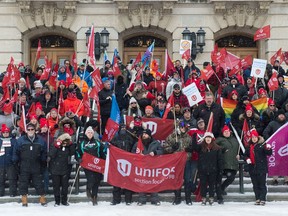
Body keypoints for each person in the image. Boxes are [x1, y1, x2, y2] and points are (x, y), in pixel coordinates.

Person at [12, 123, 47, 207]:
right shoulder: (21, 140)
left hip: (36, 164)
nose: (30, 131)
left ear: (35, 130)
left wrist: (43, 161)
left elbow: (44, 152)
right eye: (29, 129)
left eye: (32, 129)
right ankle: (24, 199)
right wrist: (15, 161)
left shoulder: (40, 140)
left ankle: (42, 198)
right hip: (24, 164)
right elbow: (15, 151)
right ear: (26, 131)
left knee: (38, 182)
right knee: (23, 182)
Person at [163, 121, 193, 205]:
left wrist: (189, 151)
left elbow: (192, 148)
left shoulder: (189, 137)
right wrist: (172, 148)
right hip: (176, 162)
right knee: (177, 180)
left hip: (186, 161)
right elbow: (165, 148)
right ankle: (177, 197)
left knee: (187, 179)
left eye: (184, 127)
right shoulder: (172, 137)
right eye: (181, 127)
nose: (183, 129)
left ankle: (188, 198)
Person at [132, 129, 163, 206]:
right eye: (143, 134)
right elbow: (132, 153)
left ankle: (155, 199)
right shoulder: (137, 143)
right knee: (142, 182)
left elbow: (162, 151)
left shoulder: (156, 143)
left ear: (149, 135)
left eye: (145, 134)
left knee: (153, 182)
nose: (144, 136)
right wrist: (138, 155)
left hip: (153, 166)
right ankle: (141, 199)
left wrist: (155, 153)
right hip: (142, 167)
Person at [76, 127, 106, 205]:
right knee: (91, 179)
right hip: (87, 165)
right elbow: (77, 152)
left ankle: (94, 197)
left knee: (97, 181)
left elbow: (103, 152)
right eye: (88, 132)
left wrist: (104, 161)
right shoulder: (82, 143)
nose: (90, 134)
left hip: (97, 164)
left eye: (91, 133)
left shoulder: (97, 142)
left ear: (93, 134)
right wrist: (79, 159)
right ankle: (88, 189)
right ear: (86, 133)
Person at [191, 131, 223, 206]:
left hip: (213, 169)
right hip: (203, 170)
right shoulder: (201, 147)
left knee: (212, 185)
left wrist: (220, 169)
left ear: (212, 139)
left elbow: (220, 160)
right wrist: (194, 138)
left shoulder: (217, 148)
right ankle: (204, 198)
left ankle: (211, 197)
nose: (208, 139)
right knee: (203, 184)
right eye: (206, 138)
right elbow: (194, 147)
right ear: (204, 139)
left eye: (209, 137)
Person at [244, 129, 272, 206]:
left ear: (258, 137)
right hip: (252, 168)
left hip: (261, 168)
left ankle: (263, 198)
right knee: (255, 185)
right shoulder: (249, 146)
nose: (254, 139)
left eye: (255, 137)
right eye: (252, 137)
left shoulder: (262, 145)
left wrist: (268, 148)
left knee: (262, 184)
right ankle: (257, 198)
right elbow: (245, 155)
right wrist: (247, 159)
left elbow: (269, 153)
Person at [110, 124, 134, 205]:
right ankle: (116, 200)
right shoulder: (115, 138)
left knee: (128, 182)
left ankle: (128, 200)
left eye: (124, 128)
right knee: (116, 182)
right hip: (118, 162)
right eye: (122, 128)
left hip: (128, 162)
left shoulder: (129, 138)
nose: (123, 129)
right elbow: (111, 146)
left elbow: (133, 148)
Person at [48, 133, 75, 206]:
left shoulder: (68, 147)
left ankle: (64, 200)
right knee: (56, 186)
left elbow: (72, 153)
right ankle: (57, 201)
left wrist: (71, 145)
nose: (65, 142)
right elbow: (51, 154)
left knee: (65, 186)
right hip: (55, 169)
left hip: (65, 169)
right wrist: (56, 146)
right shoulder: (54, 145)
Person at [263, 109, 288, 185]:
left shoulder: (287, 124)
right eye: (280, 115)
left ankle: (286, 179)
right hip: (276, 146)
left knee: (286, 162)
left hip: (285, 146)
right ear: (277, 116)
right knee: (276, 162)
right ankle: (275, 179)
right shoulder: (272, 123)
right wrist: (270, 141)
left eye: (283, 115)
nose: (281, 116)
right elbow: (265, 132)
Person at [215, 125, 239, 204]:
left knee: (231, 178)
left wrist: (240, 155)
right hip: (222, 164)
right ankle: (219, 193)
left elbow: (239, 150)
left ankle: (222, 188)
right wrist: (222, 149)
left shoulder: (235, 140)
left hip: (233, 164)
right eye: (225, 132)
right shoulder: (219, 139)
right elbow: (214, 147)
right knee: (218, 179)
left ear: (230, 132)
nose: (226, 133)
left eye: (227, 131)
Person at [0, 124, 17, 197]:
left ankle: (12, 193)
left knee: (12, 179)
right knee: (1, 179)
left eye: (7, 132)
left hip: (10, 163)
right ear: (2, 133)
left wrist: (14, 158)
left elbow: (15, 150)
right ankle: (1, 193)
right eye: (4, 132)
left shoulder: (13, 140)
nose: (6, 134)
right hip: (1, 163)